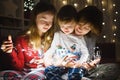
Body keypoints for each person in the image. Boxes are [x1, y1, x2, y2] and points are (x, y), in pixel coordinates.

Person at [0, 1, 56, 80]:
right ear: (35, 19)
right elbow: (19, 66)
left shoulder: (53, 39)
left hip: (42, 71)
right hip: (24, 72)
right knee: (3, 75)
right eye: (44, 20)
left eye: (51, 21)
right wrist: (11, 52)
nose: (48, 24)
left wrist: (45, 61)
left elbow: (55, 63)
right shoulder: (22, 39)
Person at [44, 5, 89, 80]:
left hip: (74, 65)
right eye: (62, 26)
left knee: (75, 74)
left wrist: (80, 63)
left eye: (69, 26)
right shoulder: (58, 35)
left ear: (75, 23)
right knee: (48, 71)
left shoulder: (79, 38)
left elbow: (85, 53)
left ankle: (69, 76)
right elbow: (52, 49)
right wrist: (47, 57)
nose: (65, 29)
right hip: (61, 64)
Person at [74, 6, 103, 79]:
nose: (81, 29)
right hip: (69, 68)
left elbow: (89, 57)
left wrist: (91, 64)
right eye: (80, 24)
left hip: (84, 70)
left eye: (86, 28)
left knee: (113, 68)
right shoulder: (67, 32)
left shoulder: (90, 38)